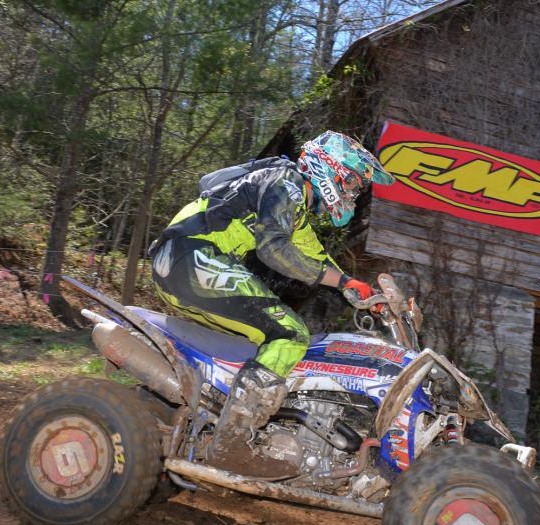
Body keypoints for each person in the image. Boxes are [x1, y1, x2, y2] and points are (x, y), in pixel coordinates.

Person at [148, 131, 395, 474]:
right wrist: (345, 284)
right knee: (290, 335)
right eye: (351, 181)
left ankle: (212, 420)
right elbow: (274, 249)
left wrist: (356, 288)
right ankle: (233, 441)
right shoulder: (287, 181)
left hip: (182, 261)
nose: (353, 192)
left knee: (257, 341)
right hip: (191, 257)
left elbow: (316, 258)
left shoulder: (293, 207)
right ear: (329, 168)